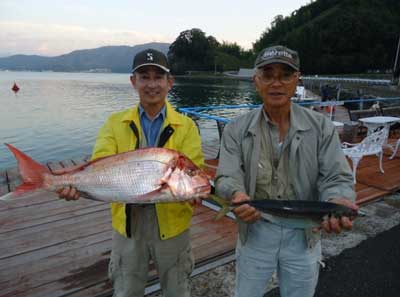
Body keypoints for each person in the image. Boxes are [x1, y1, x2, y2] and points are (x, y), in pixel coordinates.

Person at [57, 48, 204, 297]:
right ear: (133, 82)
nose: (151, 84)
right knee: (126, 289)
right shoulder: (115, 123)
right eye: (144, 77)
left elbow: (194, 168)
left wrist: (194, 191)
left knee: (177, 288)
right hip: (128, 224)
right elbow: (100, 165)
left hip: (173, 224)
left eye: (158, 77)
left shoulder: (187, 126)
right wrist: (76, 184)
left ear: (170, 82)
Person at [215, 45, 358, 297]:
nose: (276, 83)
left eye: (285, 75)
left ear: (297, 80)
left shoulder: (322, 127)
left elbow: (336, 175)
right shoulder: (235, 129)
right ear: (256, 81)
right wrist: (235, 193)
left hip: (304, 235)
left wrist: (337, 197)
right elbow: (226, 175)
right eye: (268, 74)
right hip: (255, 231)